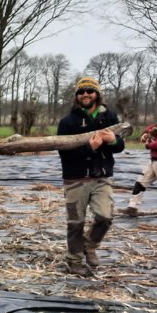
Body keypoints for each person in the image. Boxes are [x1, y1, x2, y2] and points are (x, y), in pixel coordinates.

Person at [57, 77, 125, 276]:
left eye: (89, 90)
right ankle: (74, 261)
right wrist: (90, 147)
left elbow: (120, 146)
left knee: (105, 217)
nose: (85, 94)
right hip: (75, 179)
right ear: (76, 96)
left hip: (102, 177)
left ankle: (89, 245)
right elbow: (64, 153)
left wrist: (113, 141)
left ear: (97, 93)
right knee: (75, 223)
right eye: (81, 92)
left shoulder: (110, 117)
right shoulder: (67, 122)